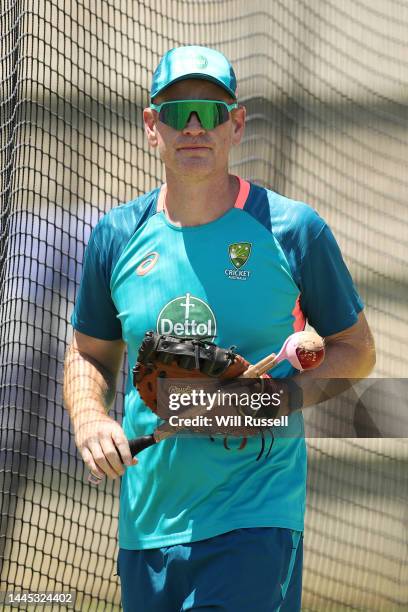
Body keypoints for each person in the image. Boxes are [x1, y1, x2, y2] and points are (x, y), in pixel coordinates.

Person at [63, 45, 376, 611]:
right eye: (176, 111)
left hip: (254, 520)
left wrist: (278, 399)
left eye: (209, 112)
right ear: (151, 126)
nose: (193, 127)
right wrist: (89, 419)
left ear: (236, 125)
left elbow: (355, 351)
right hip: (147, 526)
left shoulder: (293, 230)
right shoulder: (114, 236)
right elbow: (88, 353)